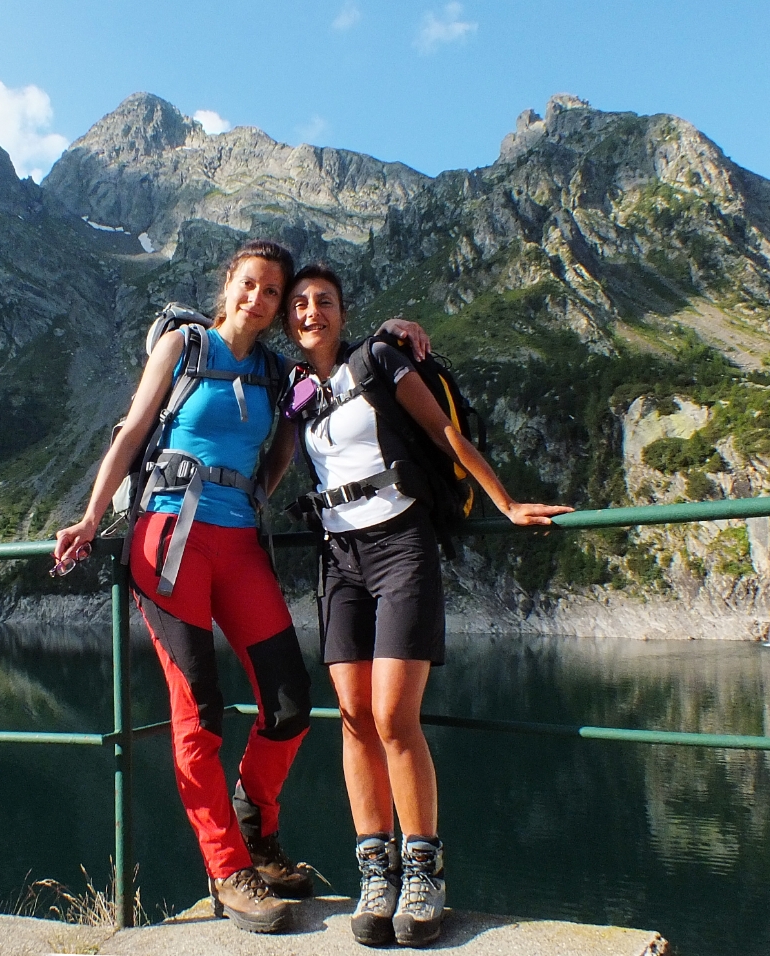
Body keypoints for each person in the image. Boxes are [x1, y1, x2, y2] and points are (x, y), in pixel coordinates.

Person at [54, 241, 429, 935]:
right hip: (168, 539)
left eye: (271, 293)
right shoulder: (185, 345)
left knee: (288, 701)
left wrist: (394, 331)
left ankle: (256, 823)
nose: (258, 301)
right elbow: (134, 430)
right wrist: (86, 516)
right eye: (249, 286)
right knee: (197, 707)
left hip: (238, 540)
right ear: (227, 286)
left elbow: (328, 378)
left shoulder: (276, 371)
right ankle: (228, 870)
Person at [270, 263, 572, 948]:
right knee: (351, 718)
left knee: (392, 716)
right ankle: (373, 871)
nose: (311, 312)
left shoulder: (378, 358)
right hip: (337, 559)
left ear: (343, 313)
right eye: (300, 305)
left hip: (402, 544)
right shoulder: (294, 389)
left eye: (324, 302)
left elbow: (446, 437)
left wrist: (509, 503)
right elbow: (274, 460)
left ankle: (423, 872)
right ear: (289, 321)